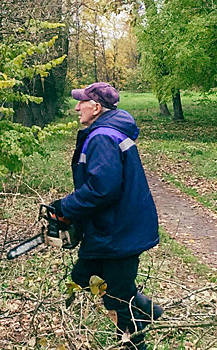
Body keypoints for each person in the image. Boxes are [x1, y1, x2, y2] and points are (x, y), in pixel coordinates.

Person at [50, 82, 163, 349]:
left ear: (96, 107)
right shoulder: (108, 131)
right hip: (110, 227)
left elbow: (103, 188)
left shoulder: (102, 136)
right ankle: (149, 311)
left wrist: (65, 207)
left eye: (82, 102)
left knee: (117, 298)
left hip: (118, 230)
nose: (77, 107)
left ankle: (134, 342)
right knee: (83, 276)